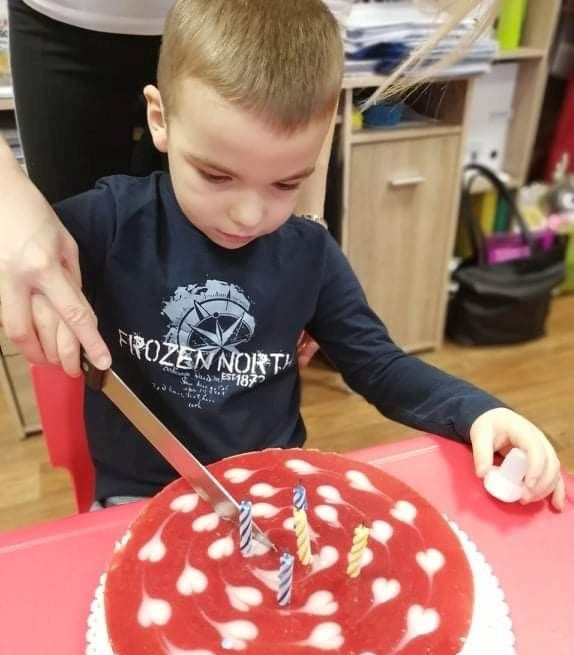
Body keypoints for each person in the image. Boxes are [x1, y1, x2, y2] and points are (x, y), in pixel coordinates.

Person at [7, 0, 558, 511]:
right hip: (138, 500)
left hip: (274, 492)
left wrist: (478, 412)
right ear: (161, 118)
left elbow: (380, 366)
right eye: (216, 175)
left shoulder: (310, 254)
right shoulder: (107, 223)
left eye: (286, 183)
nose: (249, 216)